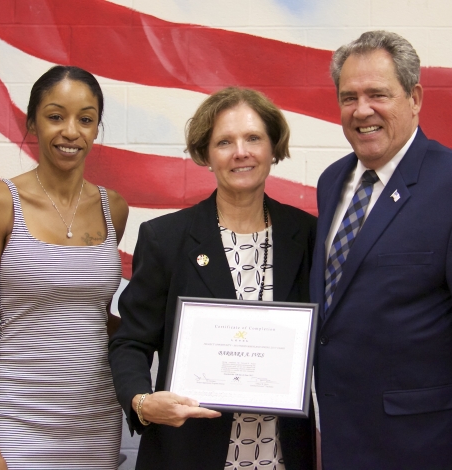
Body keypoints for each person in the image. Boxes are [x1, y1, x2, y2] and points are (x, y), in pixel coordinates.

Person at [309, 31, 452, 469]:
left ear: (414, 98)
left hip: (427, 451)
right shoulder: (331, 182)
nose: (362, 110)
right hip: (344, 446)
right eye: (349, 97)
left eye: (378, 94)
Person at [108, 87, 317, 470]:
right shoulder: (166, 239)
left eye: (253, 138)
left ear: (273, 147)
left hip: (281, 453)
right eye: (225, 141)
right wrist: (142, 400)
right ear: (206, 154)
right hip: (187, 451)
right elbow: (131, 343)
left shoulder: (306, 235)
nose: (241, 152)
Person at [0, 65, 128, 469]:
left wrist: (173, 333)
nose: (70, 131)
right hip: (17, 418)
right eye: (56, 116)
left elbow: (90, 314)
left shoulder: (115, 209)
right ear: (33, 123)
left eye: (85, 119)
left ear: (96, 129)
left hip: (95, 419)